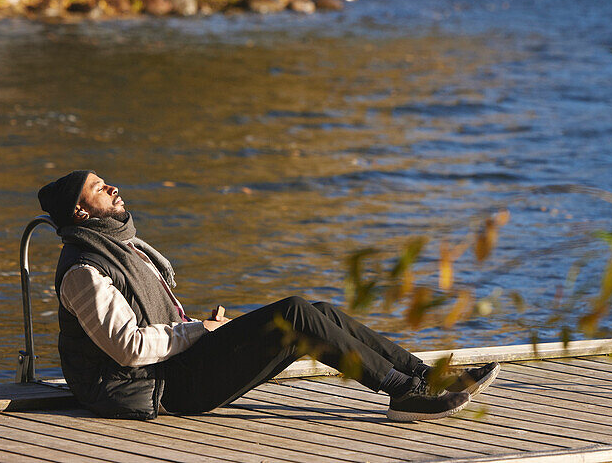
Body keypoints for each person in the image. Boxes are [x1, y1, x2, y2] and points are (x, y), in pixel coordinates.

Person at [37, 169, 500, 422]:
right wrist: (200, 331)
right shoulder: (83, 271)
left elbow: (146, 328)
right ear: (80, 211)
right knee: (296, 313)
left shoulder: (117, 248)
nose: (113, 186)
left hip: (173, 370)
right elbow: (130, 347)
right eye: (99, 188)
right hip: (157, 390)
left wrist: (200, 327)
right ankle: (403, 394)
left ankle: (422, 375)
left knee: (316, 311)